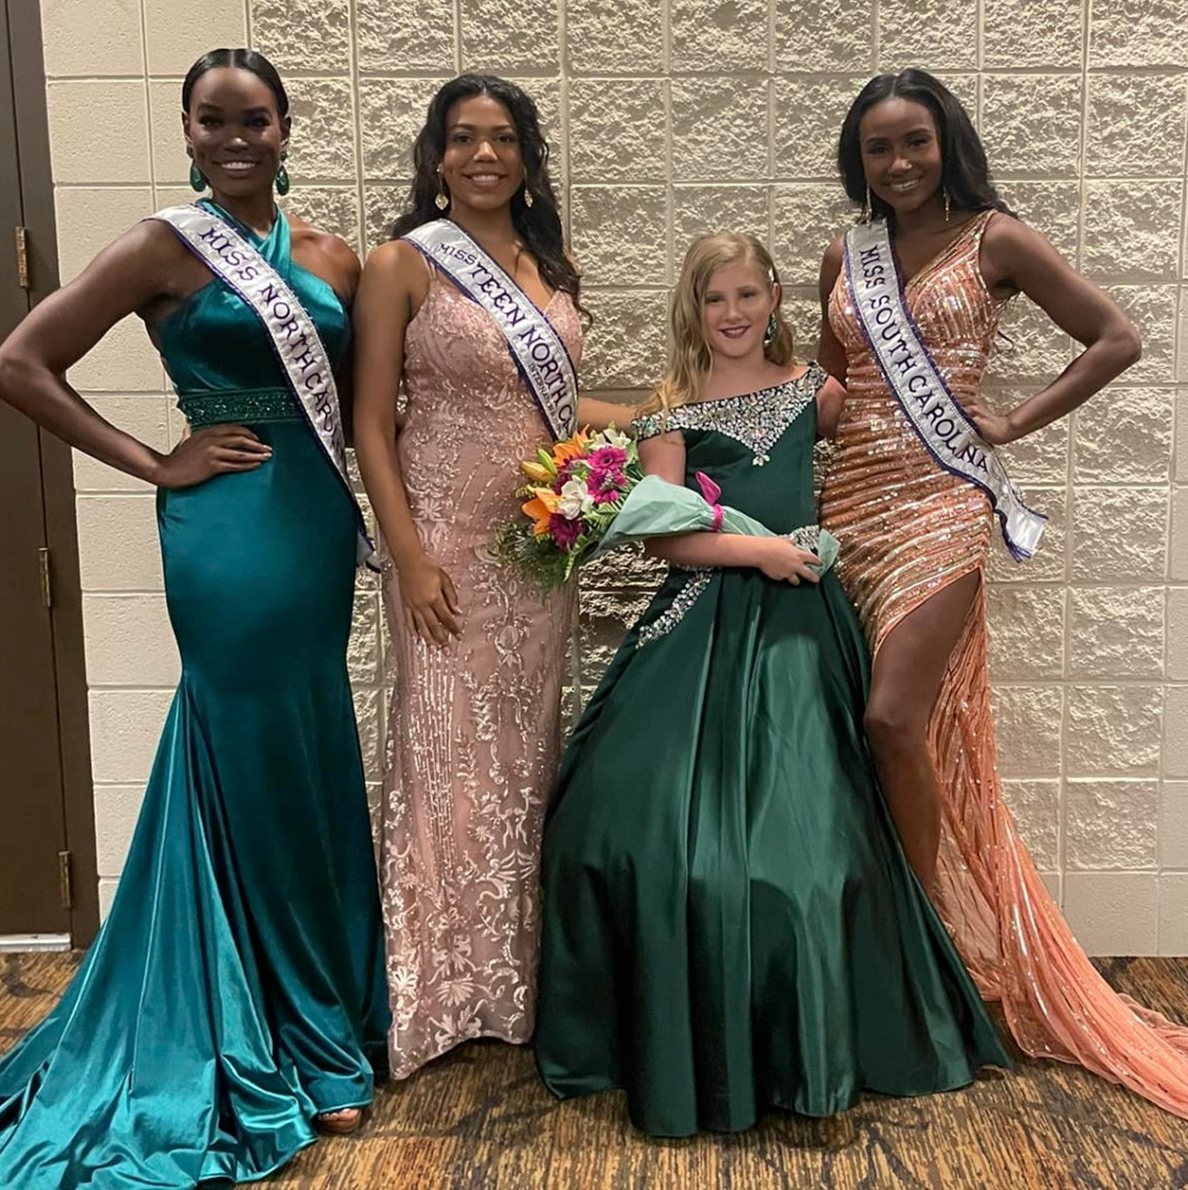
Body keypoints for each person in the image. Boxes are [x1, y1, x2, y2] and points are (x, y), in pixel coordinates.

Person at [0, 49, 388, 1187]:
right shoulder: (160, 246)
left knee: (305, 747)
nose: (236, 138)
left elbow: (370, 407)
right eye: (213, 120)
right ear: (186, 132)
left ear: (285, 129)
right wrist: (154, 461)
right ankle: (299, 1036)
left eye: (256, 119)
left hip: (315, 526)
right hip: (226, 531)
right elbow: (16, 365)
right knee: (251, 745)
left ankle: (324, 1003)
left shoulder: (333, 254)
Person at [533, 232, 1010, 1137]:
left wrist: (949, 511)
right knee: (614, 826)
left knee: (806, 846)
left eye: (747, 295)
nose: (732, 313)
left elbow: (893, 440)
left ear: (775, 300)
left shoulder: (816, 394)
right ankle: (663, 1032)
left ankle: (821, 1032)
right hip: (701, 617)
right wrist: (759, 553)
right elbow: (666, 539)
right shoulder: (669, 409)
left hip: (801, 629)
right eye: (714, 298)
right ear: (693, 308)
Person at [818, 67, 1188, 1118]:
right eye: (878, 147)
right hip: (846, 504)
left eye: (915, 142)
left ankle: (925, 938)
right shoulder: (844, 257)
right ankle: (880, 933)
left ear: (947, 143)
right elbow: (833, 385)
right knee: (855, 726)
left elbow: (1116, 337)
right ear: (858, 159)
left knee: (894, 718)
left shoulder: (996, 240)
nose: (898, 162)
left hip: (938, 505)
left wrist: (1015, 421)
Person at [353, 74, 623, 1079]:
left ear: (525, 156)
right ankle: (432, 993)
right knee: (441, 756)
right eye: (463, 137)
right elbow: (369, 423)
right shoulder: (401, 264)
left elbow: (551, 406)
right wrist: (409, 556)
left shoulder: (550, 267)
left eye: (502, 137)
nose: (482, 155)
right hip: (443, 547)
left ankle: (510, 984)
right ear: (435, 156)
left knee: (519, 758)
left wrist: (670, 407)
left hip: (535, 552)